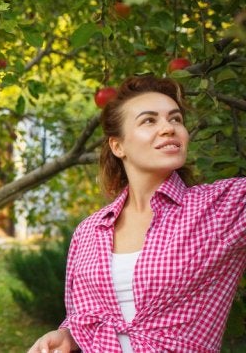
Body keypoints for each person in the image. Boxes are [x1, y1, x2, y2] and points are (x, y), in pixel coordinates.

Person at [29, 75, 246, 352]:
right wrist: (68, 336)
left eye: (176, 119)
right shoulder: (89, 231)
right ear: (118, 146)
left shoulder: (224, 207)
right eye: (149, 120)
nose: (169, 128)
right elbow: (84, 317)